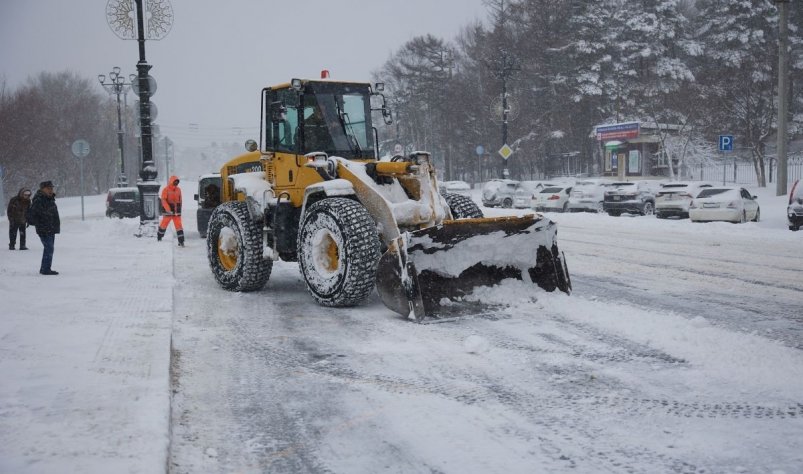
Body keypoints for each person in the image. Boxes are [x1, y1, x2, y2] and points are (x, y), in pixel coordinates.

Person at [27, 181, 60, 275]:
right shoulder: (39, 199)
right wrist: (42, 223)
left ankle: (45, 268)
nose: (51, 190)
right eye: (48, 188)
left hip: (51, 228)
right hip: (44, 229)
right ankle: (45, 269)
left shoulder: (50, 199)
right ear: (42, 189)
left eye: (51, 188)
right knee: (49, 248)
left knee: (49, 249)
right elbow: (33, 215)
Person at [157, 175, 184, 246]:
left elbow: (180, 200)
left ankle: (181, 241)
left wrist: (179, 209)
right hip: (168, 210)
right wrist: (168, 209)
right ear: (171, 181)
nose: (176, 183)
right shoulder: (165, 189)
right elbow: (163, 200)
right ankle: (159, 236)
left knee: (179, 226)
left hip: (176, 211)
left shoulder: (179, 190)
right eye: (175, 181)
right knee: (164, 224)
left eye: (177, 182)